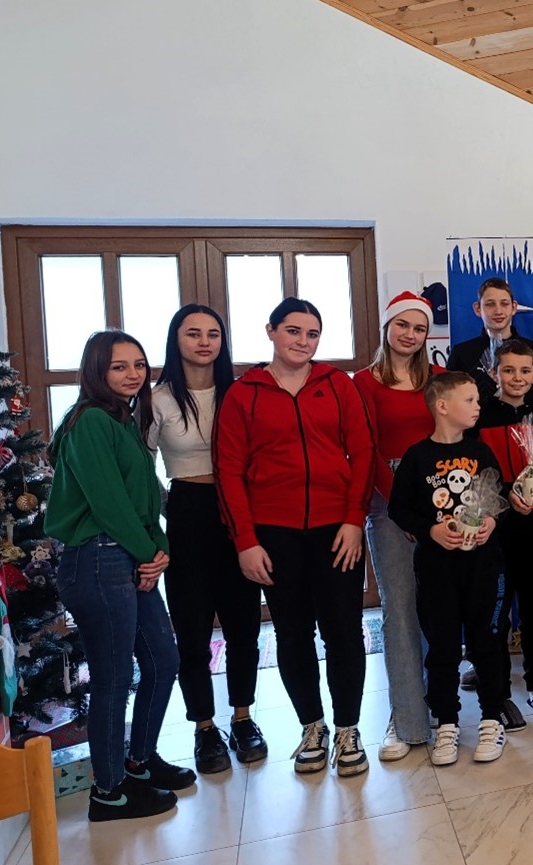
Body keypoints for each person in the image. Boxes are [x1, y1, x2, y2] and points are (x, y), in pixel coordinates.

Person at [213, 298, 375, 778]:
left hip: (336, 530)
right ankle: (313, 726)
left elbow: (363, 452)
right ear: (271, 331)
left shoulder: (337, 385)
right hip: (274, 534)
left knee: (344, 630)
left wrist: (354, 520)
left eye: (312, 334)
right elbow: (228, 470)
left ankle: (348, 729)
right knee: (292, 632)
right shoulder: (244, 393)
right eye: (293, 331)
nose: (303, 341)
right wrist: (245, 540)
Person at [47, 330, 194, 821]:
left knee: (163, 661)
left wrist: (158, 550)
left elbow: (146, 496)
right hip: (97, 560)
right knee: (113, 679)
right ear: (96, 371)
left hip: (127, 555)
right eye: (119, 366)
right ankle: (108, 792)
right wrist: (148, 553)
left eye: (139, 364)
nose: (133, 374)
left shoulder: (124, 420)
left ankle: (139, 762)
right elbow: (108, 502)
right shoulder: (90, 421)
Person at [148, 304, 267, 775]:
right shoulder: (157, 398)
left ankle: (243, 717)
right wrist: (167, 507)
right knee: (193, 630)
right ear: (176, 339)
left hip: (239, 514)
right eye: (193, 333)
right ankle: (203, 726)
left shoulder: (241, 392)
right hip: (187, 513)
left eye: (213, 334)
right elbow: (140, 465)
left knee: (244, 626)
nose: (204, 342)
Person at [389, 372, 512, 765]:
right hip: (436, 571)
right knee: (441, 647)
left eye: (478, 400)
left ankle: (492, 718)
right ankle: (446, 722)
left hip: (484, 569)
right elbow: (398, 508)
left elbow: (500, 498)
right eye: (470, 400)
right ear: (442, 406)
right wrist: (431, 530)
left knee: (487, 643)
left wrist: (490, 520)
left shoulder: (482, 452)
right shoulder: (415, 457)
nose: (478, 406)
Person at [352, 291, 442, 761]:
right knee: (401, 610)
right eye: (402, 325)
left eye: (419, 328)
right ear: (387, 327)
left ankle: (439, 704)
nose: (410, 334)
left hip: (441, 496)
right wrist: (402, 509)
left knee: (438, 607)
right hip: (388, 502)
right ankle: (406, 717)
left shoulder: (440, 379)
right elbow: (365, 449)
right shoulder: (363, 383)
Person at [474, 339, 533, 725]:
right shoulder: (480, 418)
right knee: (497, 612)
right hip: (497, 531)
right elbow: (475, 473)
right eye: (508, 370)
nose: (517, 377)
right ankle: (497, 692)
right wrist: (505, 496)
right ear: (494, 373)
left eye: (525, 371)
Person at [447, 277, 533, 424]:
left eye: (504, 304)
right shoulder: (462, 353)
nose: (498, 311)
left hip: (526, 435)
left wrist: (529, 426)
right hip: (478, 435)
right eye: (490, 304)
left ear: (513, 307)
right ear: (477, 308)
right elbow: (451, 403)